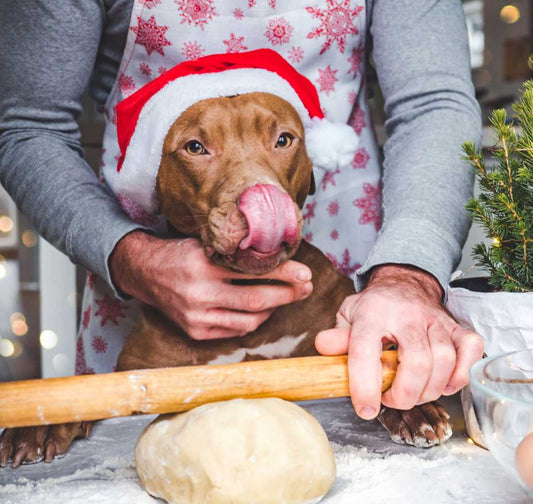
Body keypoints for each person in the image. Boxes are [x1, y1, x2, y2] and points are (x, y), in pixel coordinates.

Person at [0, 0, 483, 429]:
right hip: (147, 267)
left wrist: (407, 275)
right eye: (196, 147)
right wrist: (129, 257)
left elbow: (431, 102)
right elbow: (29, 125)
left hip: (347, 242)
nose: (256, 186)